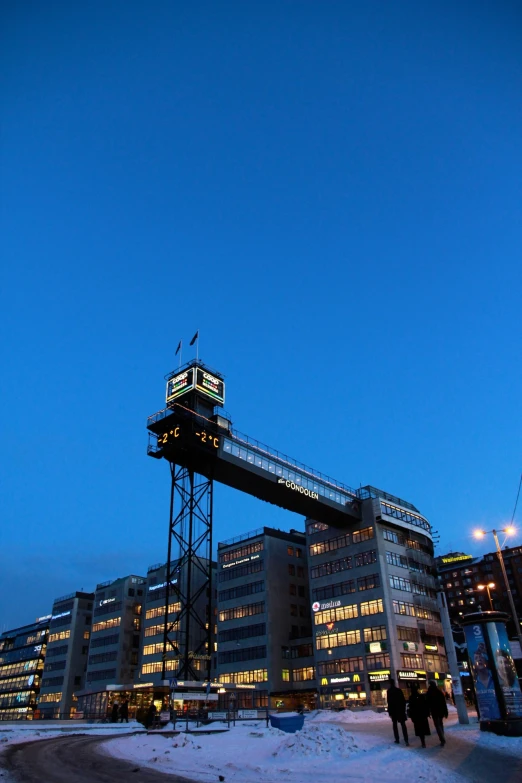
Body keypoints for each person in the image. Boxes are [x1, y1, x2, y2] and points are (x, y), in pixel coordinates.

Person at [386, 679, 409, 746]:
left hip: (394, 711)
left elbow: (389, 702)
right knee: (403, 725)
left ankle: (397, 739)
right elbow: (403, 700)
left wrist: (390, 712)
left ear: (390, 684)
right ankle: (406, 740)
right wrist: (403, 709)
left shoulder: (389, 691)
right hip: (400, 710)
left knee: (395, 725)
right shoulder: (399, 690)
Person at [407, 683, 431, 748]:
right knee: (422, 728)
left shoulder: (411, 698)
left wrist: (411, 716)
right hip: (422, 715)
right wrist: (427, 713)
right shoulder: (421, 696)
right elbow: (425, 705)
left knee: (419, 729)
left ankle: (422, 741)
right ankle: (423, 741)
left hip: (416, 716)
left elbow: (411, 708)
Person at [426, 680, 448, 746]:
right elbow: (443, 703)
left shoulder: (429, 693)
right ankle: (442, 736)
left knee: (437, 725)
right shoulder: (439, 692)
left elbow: (427, 703)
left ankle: (442, 738)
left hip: (434, 711)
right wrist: (445, 711)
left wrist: (428, 712)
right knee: (440, 724)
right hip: (440, 711)